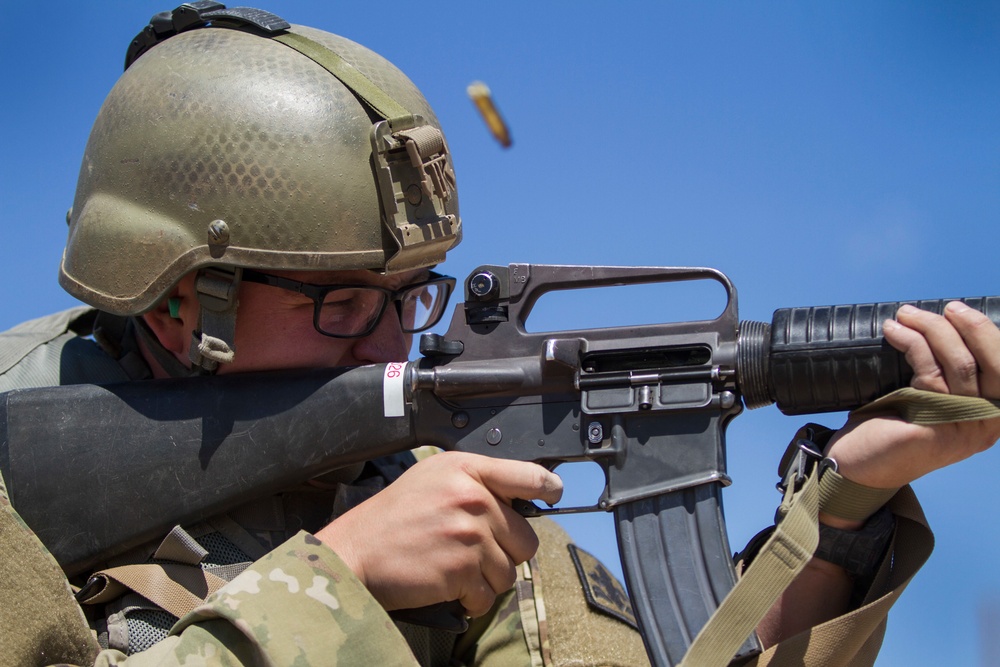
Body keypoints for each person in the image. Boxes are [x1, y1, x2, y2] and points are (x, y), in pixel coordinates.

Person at [0, 4, 997, 666]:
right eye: (342, 303)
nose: (392, 343)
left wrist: (843, 513)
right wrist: (335, 583)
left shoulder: (438, 496)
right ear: (179, 300)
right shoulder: (23, 488)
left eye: (411, 296)